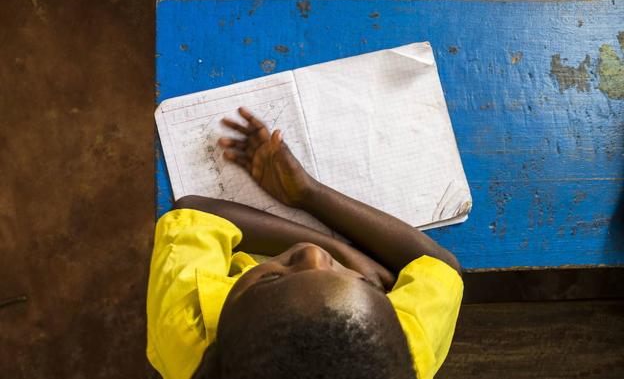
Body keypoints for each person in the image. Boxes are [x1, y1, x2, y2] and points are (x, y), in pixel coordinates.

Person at [146, 107, 464, 379]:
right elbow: (440, 265)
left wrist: (347, 255)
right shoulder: (393, 355)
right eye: (366, 284)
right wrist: (310, 194)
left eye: (271, 278)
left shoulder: (184, 333)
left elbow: (195, 212)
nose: (313, 254)